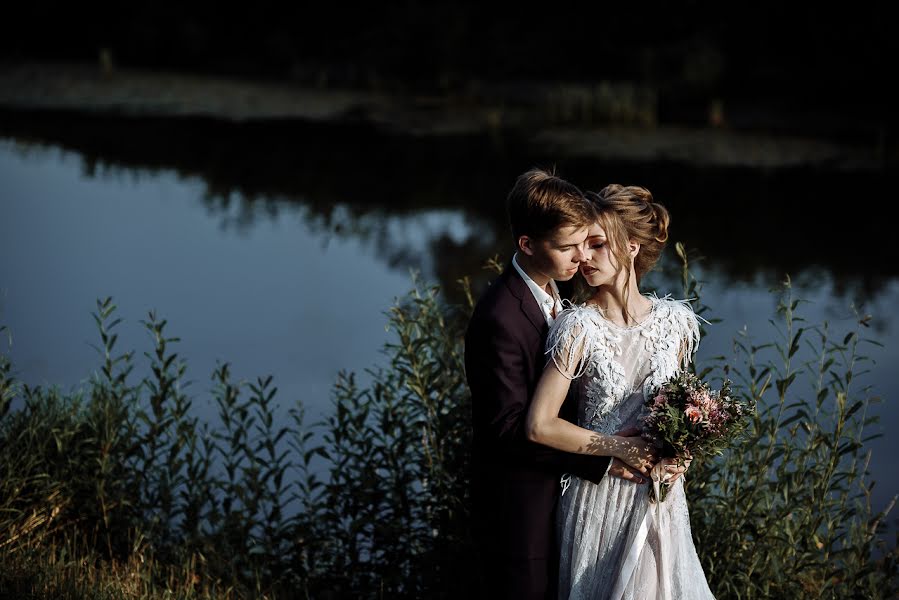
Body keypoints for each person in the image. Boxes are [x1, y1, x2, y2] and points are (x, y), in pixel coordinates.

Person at [465, 169, 657, 600]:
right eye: (567, 247)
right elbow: (508, 431)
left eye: (585, 244)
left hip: (571, 506)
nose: (580, 258)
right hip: (520, 515)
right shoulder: (501, 316)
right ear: (528, 245)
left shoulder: (558, 296)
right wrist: (605, 457)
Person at [526, 183, 714, 599]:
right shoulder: (577, 327)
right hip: (599, 498)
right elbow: (540, 425)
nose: (583, 257)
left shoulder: (677, 324)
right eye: (580, 246)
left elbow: (679, 411)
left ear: (630, 247)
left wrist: (681, 452)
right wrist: (619, 448)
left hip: (660, 498)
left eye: (596, 245)